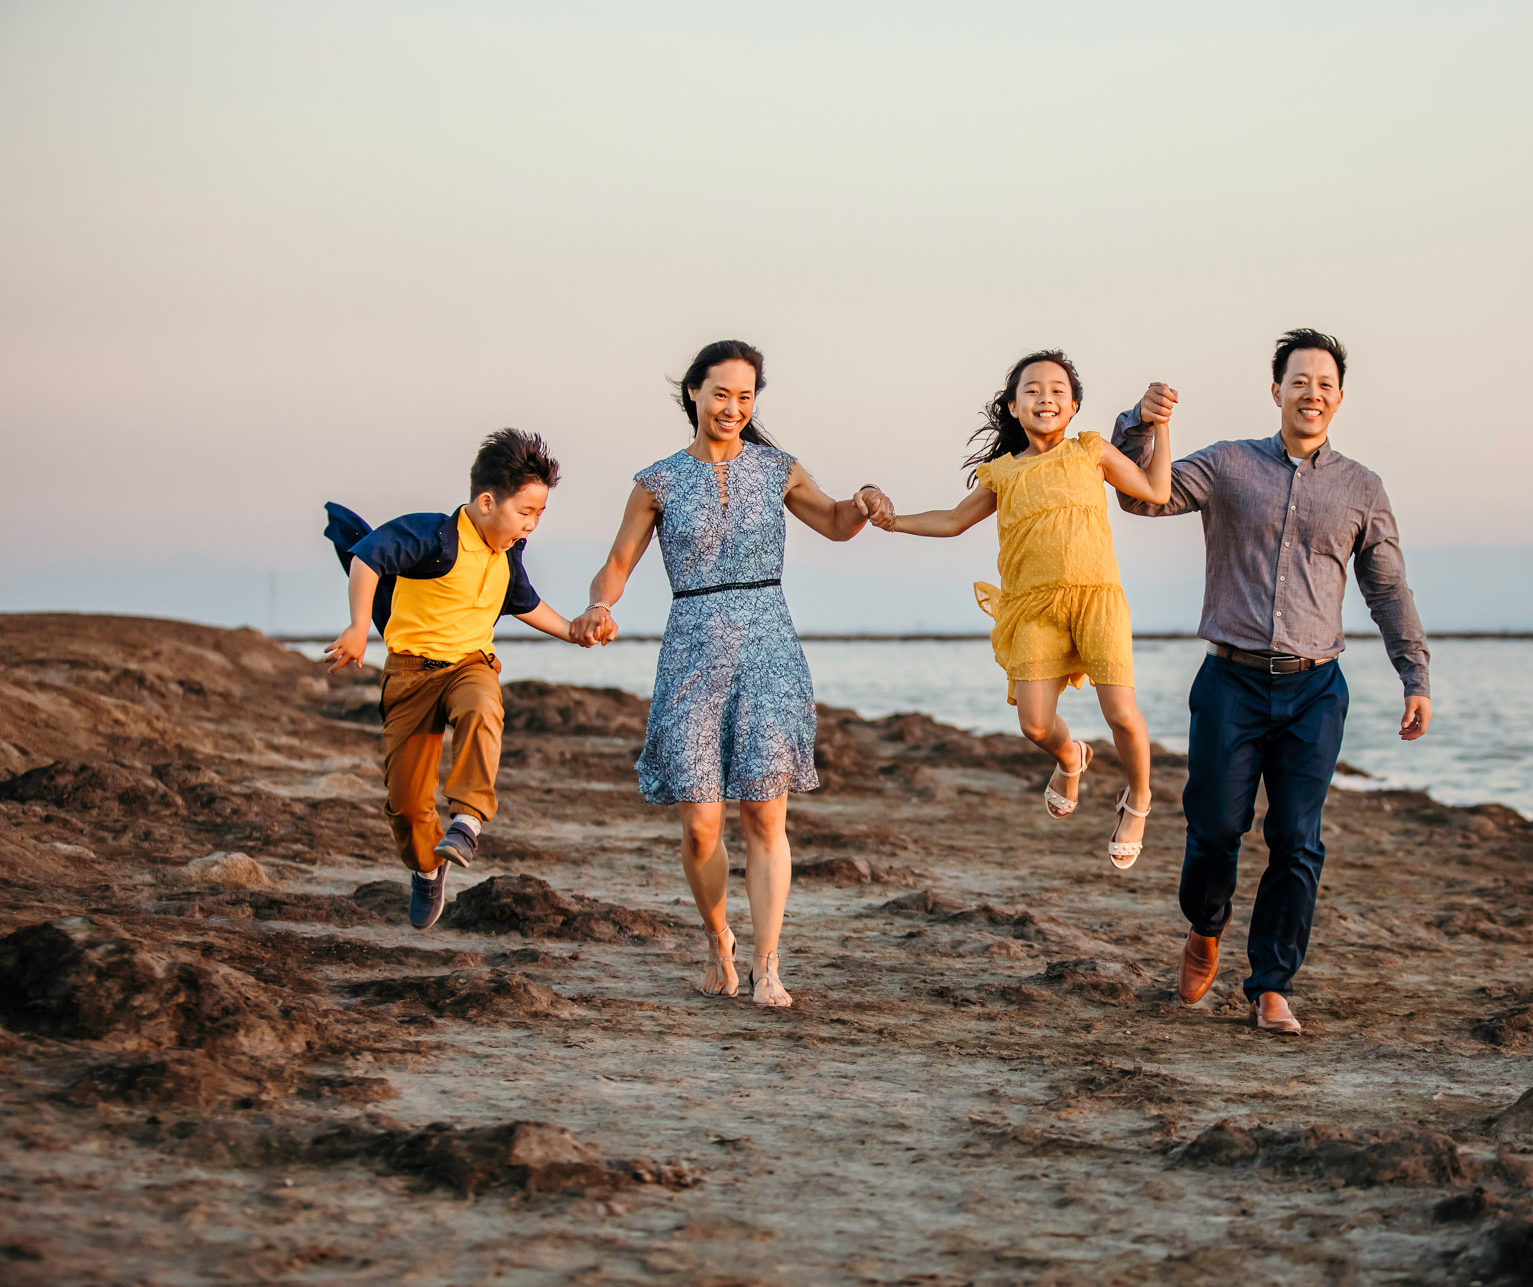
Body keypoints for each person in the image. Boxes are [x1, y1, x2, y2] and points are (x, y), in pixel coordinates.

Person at [1110, 328, 1432, 1035]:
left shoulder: (1362, 489)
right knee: (1215, 825)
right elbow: (1143, 499)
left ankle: (1271, 985)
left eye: (1324, 383)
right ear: (1277, 390)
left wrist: (1414, 674)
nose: (1311, 393)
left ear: (1338, 398)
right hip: (1231, 681)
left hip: (1316, 689)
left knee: (1297, 837)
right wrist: (1140, 423)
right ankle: (1205, 926)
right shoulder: (1227, 465)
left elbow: (1386, 587)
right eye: (1299, 380)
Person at [571, 340, 887, 1008]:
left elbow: (832, 521)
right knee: (700, 824)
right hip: (691, 649)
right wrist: (601, 603)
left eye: (746, 397)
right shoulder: (656, 480)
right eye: (722, 393)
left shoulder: (777, 468)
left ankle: (768, 965)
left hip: (769, 646)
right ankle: (720, 942)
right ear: (694, 392)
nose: (734, 408)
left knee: (766, 816)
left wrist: (859, 503)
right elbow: (618, 562)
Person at [865, 349, 1173, 869]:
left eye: (1057, 391)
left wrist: (1160, 425)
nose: (1045, 398)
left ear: (1074, 406)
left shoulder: (1090, 450)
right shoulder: (1002, 473)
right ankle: (1071, 757)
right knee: (1034, 725)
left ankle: (1138, 799)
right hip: (1033, 608)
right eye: (1032, 390)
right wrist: (893, 522)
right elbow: (952, 521)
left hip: (1096, 600)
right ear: (1012, 406)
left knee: (1121, 713)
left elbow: (1157, 490)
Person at [322, 429, 584, 930]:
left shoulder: (508, 552)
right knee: (405, 805)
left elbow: (524, 602)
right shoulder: (431, 536)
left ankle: (466, 821)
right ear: (487, 502)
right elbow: (366, 558)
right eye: (525, 513)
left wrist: (573, 631)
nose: (530, 527)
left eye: (539, 516)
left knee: (483, 707)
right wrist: (358, 627)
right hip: (410, 675)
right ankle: (427, 866)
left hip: (470, 666)